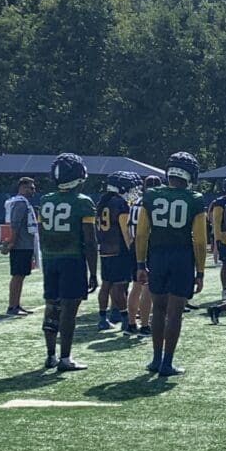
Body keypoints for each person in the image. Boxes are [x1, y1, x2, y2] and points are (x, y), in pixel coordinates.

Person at [134, 152, 207, 377]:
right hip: (182, 258)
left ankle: (156, 358)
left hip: (157, 256)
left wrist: (140, 263)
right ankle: (167, 362)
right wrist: (201, 271)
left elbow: (142, 234)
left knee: (158, 310)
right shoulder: (194, 199)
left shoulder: (151, 195)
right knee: (175, 313)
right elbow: (200, 239)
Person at [38, 153, 99, 371]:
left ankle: (50, 355)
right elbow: (90, 242)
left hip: (50, 259)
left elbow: (42, 232)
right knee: (69, 311)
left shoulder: (45, 200)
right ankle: (65, 358)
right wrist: (93, 272)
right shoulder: (83, 203)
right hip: (72, 260)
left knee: (51, 306)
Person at [96, 172, 141, 331]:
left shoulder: (104, 201)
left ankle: (102, 318)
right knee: (119, 286)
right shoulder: (119, 203)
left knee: (106, 285)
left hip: (105, 249)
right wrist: (132, 248)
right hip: (119, 249)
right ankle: (123, 318)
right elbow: (125, 230)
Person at [126, 175, 161, 337]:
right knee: (148, 286)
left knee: (135, 286)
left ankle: (131, 323)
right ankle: (145, 325)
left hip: (134, 246)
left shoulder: (135, 203)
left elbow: (128, 229)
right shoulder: (152, 203)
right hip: (148, 247)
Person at [2, 177, 38, 316]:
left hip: (24, 244)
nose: (33, 190)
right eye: (31, 188)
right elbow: (15, 224)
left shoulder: (21, 202)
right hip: (21, 245)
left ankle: (16, 304)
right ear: (22, 188)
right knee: (18, 276)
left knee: (21, 275)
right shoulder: (20, 203)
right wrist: (12, 241)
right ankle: (12, 306)